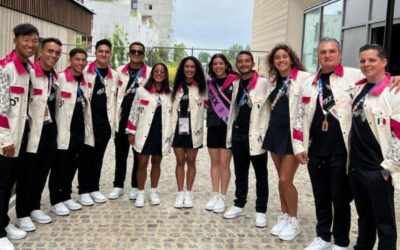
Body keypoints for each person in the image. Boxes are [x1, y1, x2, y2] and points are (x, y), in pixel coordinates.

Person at [348, 44, 399, 250]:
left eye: (372, 60)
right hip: (356, 167)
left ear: (384, 62)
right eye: (362, 61)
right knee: (364, 218)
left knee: (384, 223)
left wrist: (388, 168)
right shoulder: (359, 88)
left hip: (378, 170)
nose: (366, 64)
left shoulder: (394, 92)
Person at [263, 44, 311, 240]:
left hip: (294, 136)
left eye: (284, 56)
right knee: (280, 180)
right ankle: (284, 215)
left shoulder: (305, 78)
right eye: (277, 58)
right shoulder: (272, 81)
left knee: (285, 179)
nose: (281, 60)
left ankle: (294, 220)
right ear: (273, 62)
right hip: (275, 133)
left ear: (291, 59)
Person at [15, 38, 62, 232]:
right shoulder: (31, 74)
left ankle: (34, 207)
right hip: (32, 132)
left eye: (57, 53)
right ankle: (22, 214)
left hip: (50, 132)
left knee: (42, 171)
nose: (53, 56)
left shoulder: (55, 77)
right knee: (27, 174)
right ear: (40, 52)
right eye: (50, 51)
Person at [0, 23, 39, 250]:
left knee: (10, 183)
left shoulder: (29, 70)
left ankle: (4, 222)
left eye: (34, 40)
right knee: (2, 184)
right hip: (6, 139)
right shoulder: (5, 69)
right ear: (15, 40)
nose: (30, 44)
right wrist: (5, 140)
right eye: (26, 39)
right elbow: (0, 110)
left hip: (21, 135)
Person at [224, 51, 270, 228]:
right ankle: (239, 204)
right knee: (240, 172)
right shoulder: (235, 83)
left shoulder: (264, 82)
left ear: (252, 63)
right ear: (237, 64)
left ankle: (261, 210)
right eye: (240, 61)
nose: (243, 64)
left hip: (256, 135)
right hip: (238, 134)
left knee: (261, 175)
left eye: (246, 61)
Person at [48, 48, 94, 216]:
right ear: (70, 60)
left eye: (84, 60)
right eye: (77, 59)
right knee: (59, 166)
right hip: (62, 131)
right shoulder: (59, 79)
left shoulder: (85, 81)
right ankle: (55, 200)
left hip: (79, 130)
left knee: (72, 165)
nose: (81, 63)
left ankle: (66, 195)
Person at [126, 63, 172, 207]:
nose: (159, 74)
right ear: (152, 74)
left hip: (161, 132)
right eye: (156, 71)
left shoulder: (170, 93)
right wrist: (131, 131)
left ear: (165, 75)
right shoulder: (141, 91)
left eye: (162, 72)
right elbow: (134, 112)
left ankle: (153, 191)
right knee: (142, 163)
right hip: (143, 132)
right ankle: (140, 192)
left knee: (157, 162)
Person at [78, 39, 118, 205]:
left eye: (106, 52)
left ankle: (94, 188)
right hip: (88, 122)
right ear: (95, 52)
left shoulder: (113, 75)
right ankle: (83, 190)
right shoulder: (85, 71)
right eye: (100, 51)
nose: (103, 54)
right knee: (85, 158)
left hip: (105, 124)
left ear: (110, 54)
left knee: (98, 157)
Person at [109, 42, 151, 200]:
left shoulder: (150, 73)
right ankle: (118, 185)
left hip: (140, 121)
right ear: (129, 53)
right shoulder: (119, 71)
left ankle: (135, 186)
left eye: (140, 52)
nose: (136, 54)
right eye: (133, 51)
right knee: (120, 155)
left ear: (144, 55)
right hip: (122, 118)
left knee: (138, 155)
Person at [171, 56, 206, 208]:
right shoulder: (175, 87)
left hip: (194, 129)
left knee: (191, 161)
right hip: (178, 128)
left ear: (196, 69)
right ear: (182, 68)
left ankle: (189, 192)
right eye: (187, 66)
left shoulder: (202, 88)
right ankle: (180, 193)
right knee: (180, 161)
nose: (189, 69)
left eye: (192, 67)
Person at [204, 54, 236, 213]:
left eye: (221, 63)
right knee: (214, 162)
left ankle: (223, 196)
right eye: (215, 64)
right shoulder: (209, 83)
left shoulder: (235, 80)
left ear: (226, 64)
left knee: (224, 163)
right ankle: (215, 193)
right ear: (212, 66)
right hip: (212, 125)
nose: (218, 66)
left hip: (228, 127)